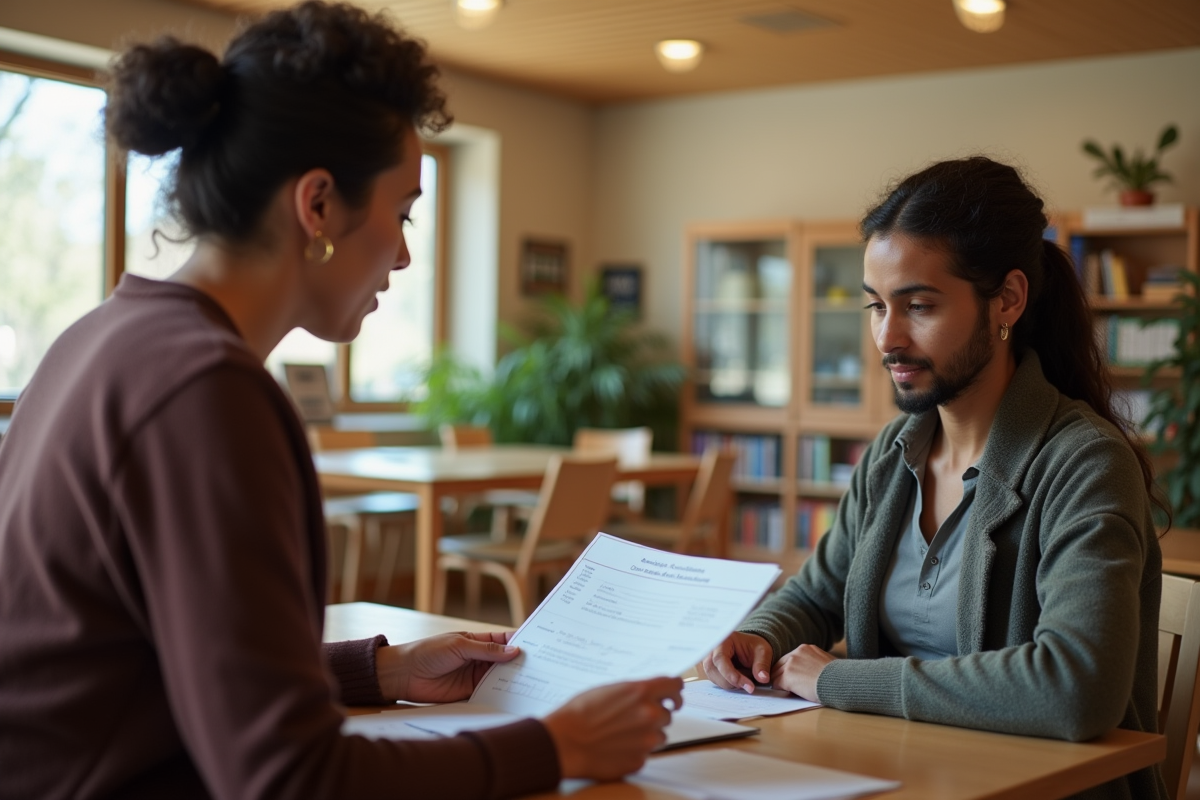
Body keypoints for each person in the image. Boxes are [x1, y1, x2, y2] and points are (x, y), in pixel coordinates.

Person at [0, 3, 682, 799]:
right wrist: (554, 747)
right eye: (400, 213)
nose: (400, 255)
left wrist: (379, 667)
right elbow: (289, 776)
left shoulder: (100, 338)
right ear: (317, 205)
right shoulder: (207, 392)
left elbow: (161, 660)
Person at [703, 157, 1167, 799]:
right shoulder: (897, 451)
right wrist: (759, 636)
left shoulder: (1083, 463)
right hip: (894, 775)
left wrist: (837, 681)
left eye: (918, 305)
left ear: (1006, 299)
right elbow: (816, 596)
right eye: (876, 306)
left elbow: (1075, 688)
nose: (887, 338)